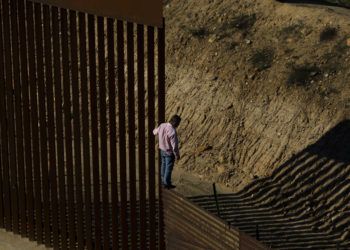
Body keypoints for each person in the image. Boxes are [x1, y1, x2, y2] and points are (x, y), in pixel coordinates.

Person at [153, 115, 181, 189]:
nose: (178, 125)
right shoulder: (172, 131)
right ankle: (166, 183)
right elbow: (174, 146)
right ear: (175, 122)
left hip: (162, 150)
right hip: (169, 152)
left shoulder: (162, 125)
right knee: (168, 168)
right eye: (178, 123)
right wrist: (177, 155)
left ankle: (163, 181)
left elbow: (154, 132)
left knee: (163, 165)